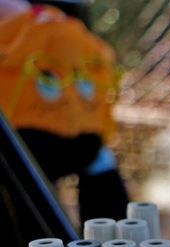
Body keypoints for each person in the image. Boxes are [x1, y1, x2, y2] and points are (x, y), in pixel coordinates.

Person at [0, 0, 129, 223]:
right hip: (85, 136)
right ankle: (111, 234)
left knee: (26, 190)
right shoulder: (65, 23)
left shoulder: (23, 16)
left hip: (26, 138)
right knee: (100, 163)